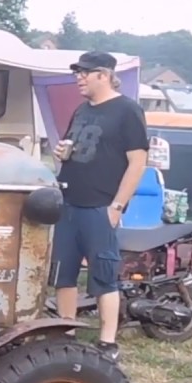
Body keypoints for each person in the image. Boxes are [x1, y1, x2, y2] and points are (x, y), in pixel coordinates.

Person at [51, 51, 149, 362]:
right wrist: (61, 153)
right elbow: (72, 149)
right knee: (63, 273)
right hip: (68, 203)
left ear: (104, 75)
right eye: (77, 73)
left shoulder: (127, 111)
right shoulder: (81, 110)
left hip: (100, 206)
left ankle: (107, 342)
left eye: (84, 73)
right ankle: (65, 333)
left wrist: (117, 206)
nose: (78, 78)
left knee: (104, 275)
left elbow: (138, 163)